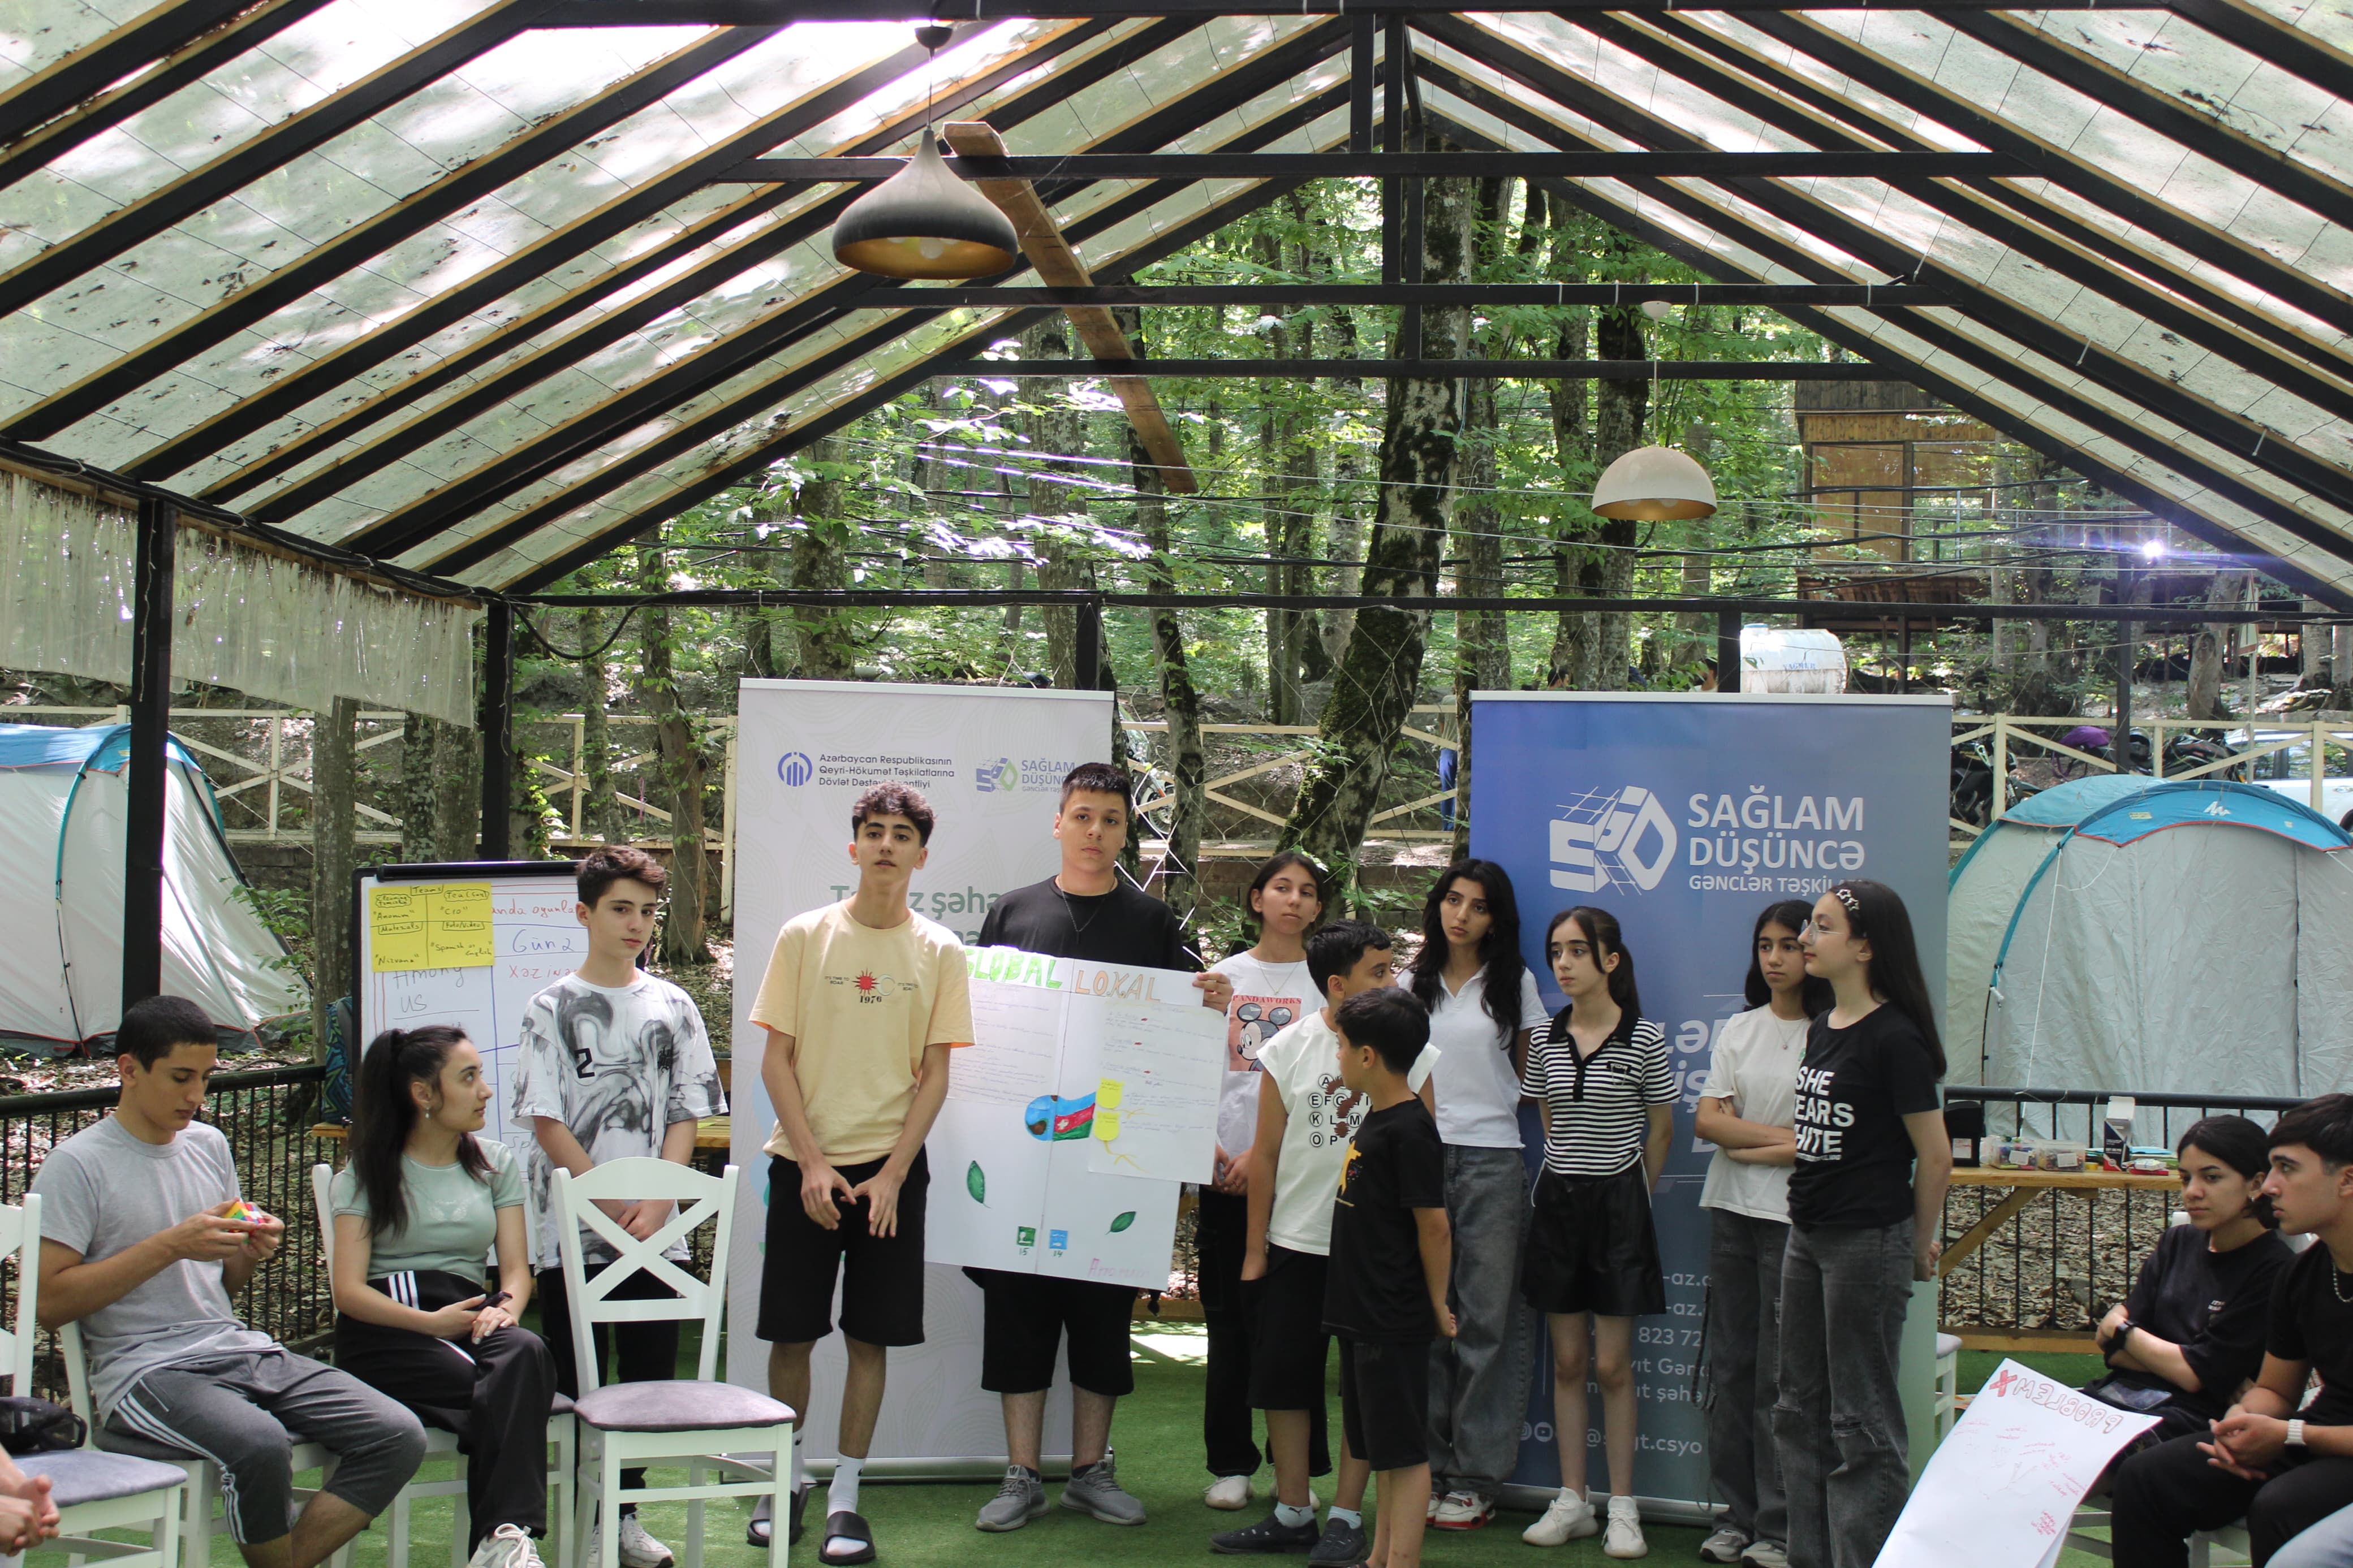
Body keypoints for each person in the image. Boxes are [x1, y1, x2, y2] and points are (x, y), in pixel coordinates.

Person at [32, 995, 428, 1568]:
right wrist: (172, 1244)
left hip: (236, 1347)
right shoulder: (76, 1164)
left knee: (397, 1432)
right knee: (260, 1442)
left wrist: (249, 1251)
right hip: (142, 1371)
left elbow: (219, 1289)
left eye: (206, 1077)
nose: (196, 1095)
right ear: (129, 1069)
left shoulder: (208, 1144)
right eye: (181, 1077)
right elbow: (49, 1303)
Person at [968, 762, 1234, 1533]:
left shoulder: (1152, 922)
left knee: (1100, 1318)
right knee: (1017, 1316)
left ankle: (1090, 1470)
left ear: (1125, 834)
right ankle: (1021, 1474)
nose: (1095, 831)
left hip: (1116, 1150)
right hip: (1020, 1152)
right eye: (1082, 815)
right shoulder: (1012, 910)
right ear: (1058, 822)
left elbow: (1182, 1022)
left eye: (1111, 820)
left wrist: (1212, 999)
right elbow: (979, 1020)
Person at [747, 783, 971, 1566]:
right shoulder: (804, 935)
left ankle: (845, 1494)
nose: (886, 844)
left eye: (901, 834)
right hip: (802, 1165)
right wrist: (811, 1162)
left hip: (891, 1175)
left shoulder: (940, 949)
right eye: (874, 831)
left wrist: (894, 1174)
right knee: (792, 1334)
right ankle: (786, 1482)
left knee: (870, 1337)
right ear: (854, 846)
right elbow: (775, 1059)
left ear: (920, 855)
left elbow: (936, 1074)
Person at [510, 846, 725, 1568]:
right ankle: (580, 1521)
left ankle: (624, 1520)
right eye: (620, 908)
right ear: (584, 913)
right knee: (578, 1380)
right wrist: (602, 1201)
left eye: (647, 911)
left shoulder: (674, 1004)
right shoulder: (549, 1007)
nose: (636, 923)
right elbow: (545, 1118)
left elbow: (688, 1111)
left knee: (646, 1381)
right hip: (572, 1232)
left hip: (657, 1231)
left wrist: (661, 1197)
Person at [1219, 919, 1437, 1566]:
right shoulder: (1286, 1047)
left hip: (1374, 1257)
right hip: (1295, 1240)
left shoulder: (1412, 1050)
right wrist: (1255, 1250)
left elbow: (1422, 1165)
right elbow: (1263, 1154)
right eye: (1379, 971)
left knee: (1365, 1392)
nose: (1392, 981)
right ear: (1337, 984)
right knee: (1283, 1377)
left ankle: (1346, 1515)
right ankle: (1293, 1509)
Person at [1772, 880, 1951, 1568]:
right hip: (1807, 1232)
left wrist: (1916, 1242)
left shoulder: (1895, 1038)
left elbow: (1934, 1155)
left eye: (1821, 927)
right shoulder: (1823, 1026)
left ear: (1866, 947)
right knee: (1797, 1409)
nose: (1805, 939)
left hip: (1865, 1240)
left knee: (1860, 1418)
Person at [330, 1025, 554, 1568]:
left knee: (526, 1350)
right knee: (512, 1388)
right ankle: (504, 1537)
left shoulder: (495, 1162)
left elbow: (516, 1270)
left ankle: (500, 1539)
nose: (486, 1090)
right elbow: (348, 1290)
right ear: (423, 1093)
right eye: (468, 1077)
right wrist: (430, 1324)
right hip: (390, 1327)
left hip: (470, 1317)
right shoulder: (368, 1170)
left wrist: (506, 1309)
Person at [2110, 1094, 2353, 1568]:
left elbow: (2286, 1420)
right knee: (2148, 1477)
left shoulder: (2276, 1267)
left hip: (2320, 1441)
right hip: (2310, 1433)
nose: (2270, 1186)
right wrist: (2239, 1425)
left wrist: (2289, 1433)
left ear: (2347, 1178)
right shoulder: (2303, 1274)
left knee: (2282, 1506)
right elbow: (2275, 1390)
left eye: (2287, 1168)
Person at [1518, 906, 1675, 1561]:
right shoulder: (1545, 1039)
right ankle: (1572, 1500)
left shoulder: (1644, 1038)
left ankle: (1622, 1507)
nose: (1563, 962)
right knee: (1566, 1362)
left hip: (1620, 1207)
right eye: (1556, 950)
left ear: (1610, 960)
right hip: (1557, 1204)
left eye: (1578, 950)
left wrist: (1629, 1196)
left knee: (1610, 1366)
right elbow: (1548, 1116)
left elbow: (1660, 1129)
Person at [1401, 858, 1543, 1532]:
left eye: (1478, 906)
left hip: (1493, 1160)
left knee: (1487, 1322)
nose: (1461, 915)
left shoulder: (1514, 982)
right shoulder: (1412, 981)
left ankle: (1475, 1479)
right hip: (1422, 1159)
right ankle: (1425, 1469)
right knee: (1428, 1322)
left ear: (1495, 919)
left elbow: (1531, 1075)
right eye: (1453, 900)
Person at [1692, 901, 1831, 1568]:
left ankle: (1779, 1528)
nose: (1774, 957)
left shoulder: (1832, 1033)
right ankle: (1735, 1517)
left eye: (1788, 944)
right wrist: (1784, 1139)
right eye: (1764, 945)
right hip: (1730, 1211)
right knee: (1731, 1369)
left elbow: (1823, 1141)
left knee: (1782, 1380)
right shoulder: (1740, 1028)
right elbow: (1707, 1123)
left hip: (1793, 1220)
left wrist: (1752, 1140)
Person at [1203, 852, 1328, 1511]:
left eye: (1306, 891)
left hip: (1298, 1183)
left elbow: (1329, 1085)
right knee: (1228, 1324)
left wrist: (1265, 1155)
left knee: (1297, 1329)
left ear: (1317, 908)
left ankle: (1294, 1468)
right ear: (1256, 898)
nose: (1293, 899)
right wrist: (1212, 1148)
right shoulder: (1219, 979)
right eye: (1281, 887)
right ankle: (1230, 1462)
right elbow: (1190, 1068)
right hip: (1222, 1174)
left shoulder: (1326, 983)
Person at [1324, 988, 1455, 1568]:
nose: (1337, 1056)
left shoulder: (1411, 1129)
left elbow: (1434, 1226)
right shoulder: (1377, 1118)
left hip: (1391, 1314)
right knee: (1380, 1446)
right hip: (1360, 1312)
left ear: (1367, 1056)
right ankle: (1379, 1556)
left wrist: (1436, 1302)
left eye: (1341, 1046)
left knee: (1403, 1451)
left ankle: (1402, 1559)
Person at [2083, 1116, 2291, 1450]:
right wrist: (2190, 1368)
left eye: (2212, 1177)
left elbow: (2194, 1376)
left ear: (2256, 1184)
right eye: (2185, 1178)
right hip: (2120, 1395)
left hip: (2186, 1420)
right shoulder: (2178, 1242)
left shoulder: (2274, 1269)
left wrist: (2123, 1331)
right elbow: (2110, 1348)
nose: (2192, 1191)